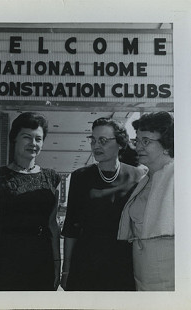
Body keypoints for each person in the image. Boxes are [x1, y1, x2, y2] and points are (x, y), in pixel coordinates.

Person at [61, 117, 145, 291]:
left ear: (121, 143)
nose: (96, 145)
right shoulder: (80, 177)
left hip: (123, 264)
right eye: (94, 139)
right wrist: (66, 270)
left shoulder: (138, 177)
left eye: (103, 140)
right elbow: (71, 227)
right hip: (85, 263)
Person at [0, 112, 61, 291]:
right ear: (14, 139)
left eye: (38, 139)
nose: (33, 144)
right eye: (27, 137)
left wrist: (57, 264)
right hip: (6, 258)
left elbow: (53, 225)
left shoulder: (52, 178)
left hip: (43, 258)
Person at [118, 112, 174, 291]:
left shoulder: (180, 177)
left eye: (146, 141)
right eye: (137, 141)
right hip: (143, 275)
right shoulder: (145, 179)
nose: (138, 147)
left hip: (170, 277)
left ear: (166, 145)